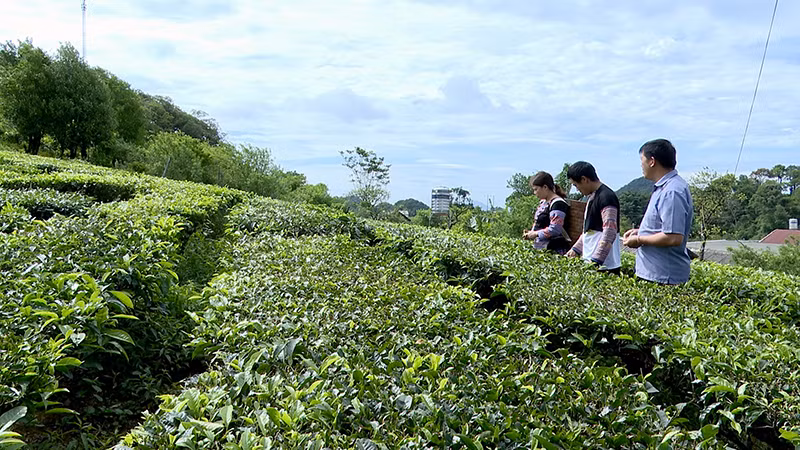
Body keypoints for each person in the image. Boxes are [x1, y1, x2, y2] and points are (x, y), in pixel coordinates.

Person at [622, 139, 693, 284]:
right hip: (655, 274)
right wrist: (640, 231)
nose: (641, 165)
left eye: (642, 160)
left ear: (652, 161)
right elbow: (664, 227)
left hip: (662, 277)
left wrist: (640, 239)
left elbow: (673, 237)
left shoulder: (672, 191)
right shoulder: (663, 187)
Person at [565, 161, 622, 274]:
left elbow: (610, 231)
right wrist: (575, 250)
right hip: (592, 262)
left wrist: (596, 261)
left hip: (605, 266)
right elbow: (589, 231)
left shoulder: (606, 197)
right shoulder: (592, 197)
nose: (577, 189)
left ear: (584, 179)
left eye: (576, 185)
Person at [522, 171, 571, 254]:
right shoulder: (544, 202)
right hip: (541, 248)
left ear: (545, 187)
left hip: (553, 249)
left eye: (536, 189)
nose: (534, 193)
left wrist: (535, 234)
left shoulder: (558, 204)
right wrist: (531, 233)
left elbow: (555, 229)